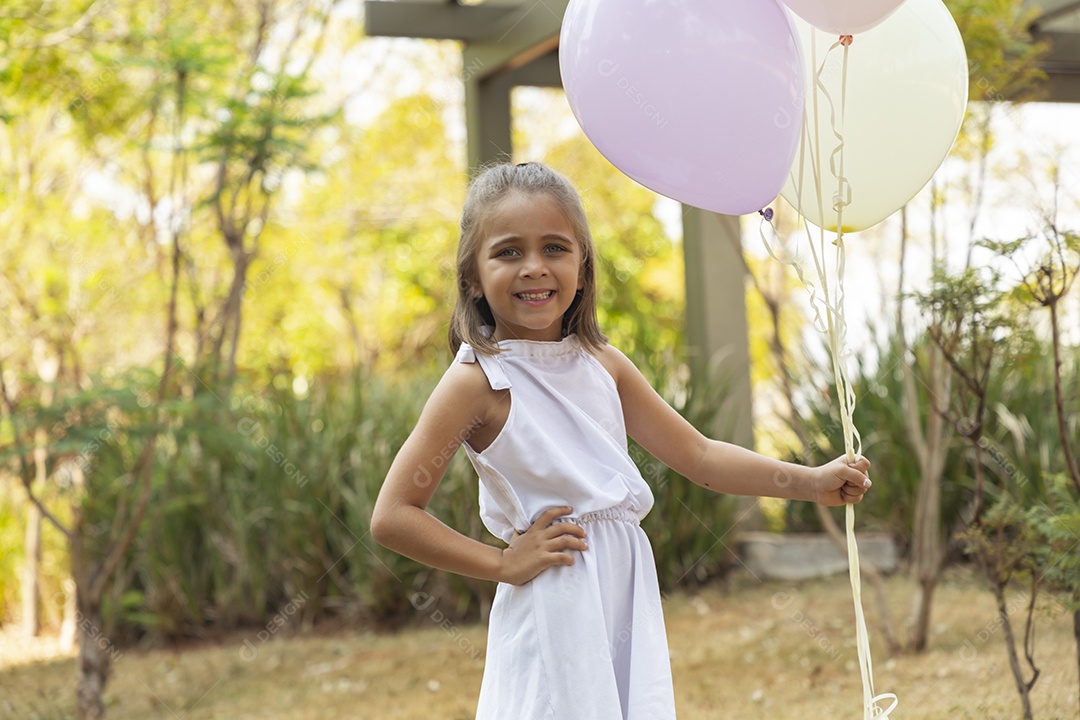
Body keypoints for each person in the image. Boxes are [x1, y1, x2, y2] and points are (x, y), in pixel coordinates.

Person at [370, 162, 872, 719]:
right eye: (508, 252)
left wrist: (812, 482)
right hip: (554, 594)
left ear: (583, 269)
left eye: (555, 248)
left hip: (623, 588)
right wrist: (503, 563)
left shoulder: (603, 365)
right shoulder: (476, 382)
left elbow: (699, 455)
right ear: (472, 276)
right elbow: (393, 515)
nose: (534, 268)